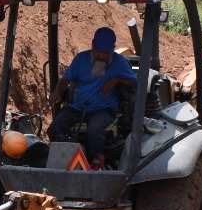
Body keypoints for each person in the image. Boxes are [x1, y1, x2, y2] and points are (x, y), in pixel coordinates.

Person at [47, 27, 136, 168]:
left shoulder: (119, 62)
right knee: (54, 128)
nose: (101, 55)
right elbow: (66, 79)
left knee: (94, 131)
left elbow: (134, 82)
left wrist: (116, 80)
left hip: (104, 109)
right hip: (78, 108)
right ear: (93, 45)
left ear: (112, 49)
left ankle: (96, 162)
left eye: (105, 52)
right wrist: (57, 91)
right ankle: (65, 157)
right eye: (98, 51)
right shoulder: (80, 59)